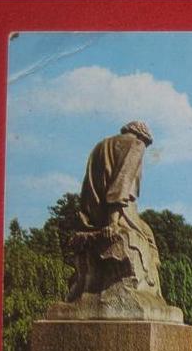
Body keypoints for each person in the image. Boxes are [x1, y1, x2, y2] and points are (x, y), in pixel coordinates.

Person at [67, 120, 163, 303]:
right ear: (143, 137)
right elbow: (122, 183)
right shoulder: (137, 144)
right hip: (117, 211)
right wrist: (113, 222)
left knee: (147, 232)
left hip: (94, 214)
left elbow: (88, 187)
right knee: (150, 241)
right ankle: (148, 290)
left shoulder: (101, 145)